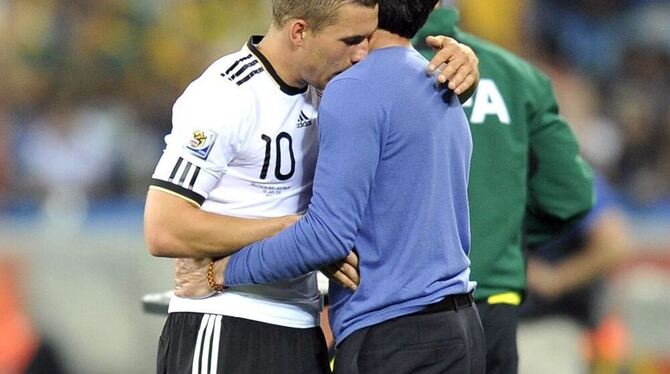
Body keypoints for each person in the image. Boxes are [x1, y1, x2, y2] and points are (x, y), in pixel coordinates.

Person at [144, 0, 480, 372]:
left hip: (303, 326)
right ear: (300, 32)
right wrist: (296, 230)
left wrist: (463, 68)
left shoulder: (333, 88)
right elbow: (163, 228)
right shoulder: (225, 95)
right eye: (351, 40)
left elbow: (402, 111)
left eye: (368, 38)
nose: (362, 54)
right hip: (226, 319)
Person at [411, 3, 595, 373]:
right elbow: (570, 195)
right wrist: (504, 234)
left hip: (399, 306)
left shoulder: (360, 70)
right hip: (495, 300)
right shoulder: (519, 77)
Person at [517, 174, 630, 374]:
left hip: (549, 327)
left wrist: (556, 279)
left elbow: (615, 243)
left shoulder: (562, 172)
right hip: (501, 325)